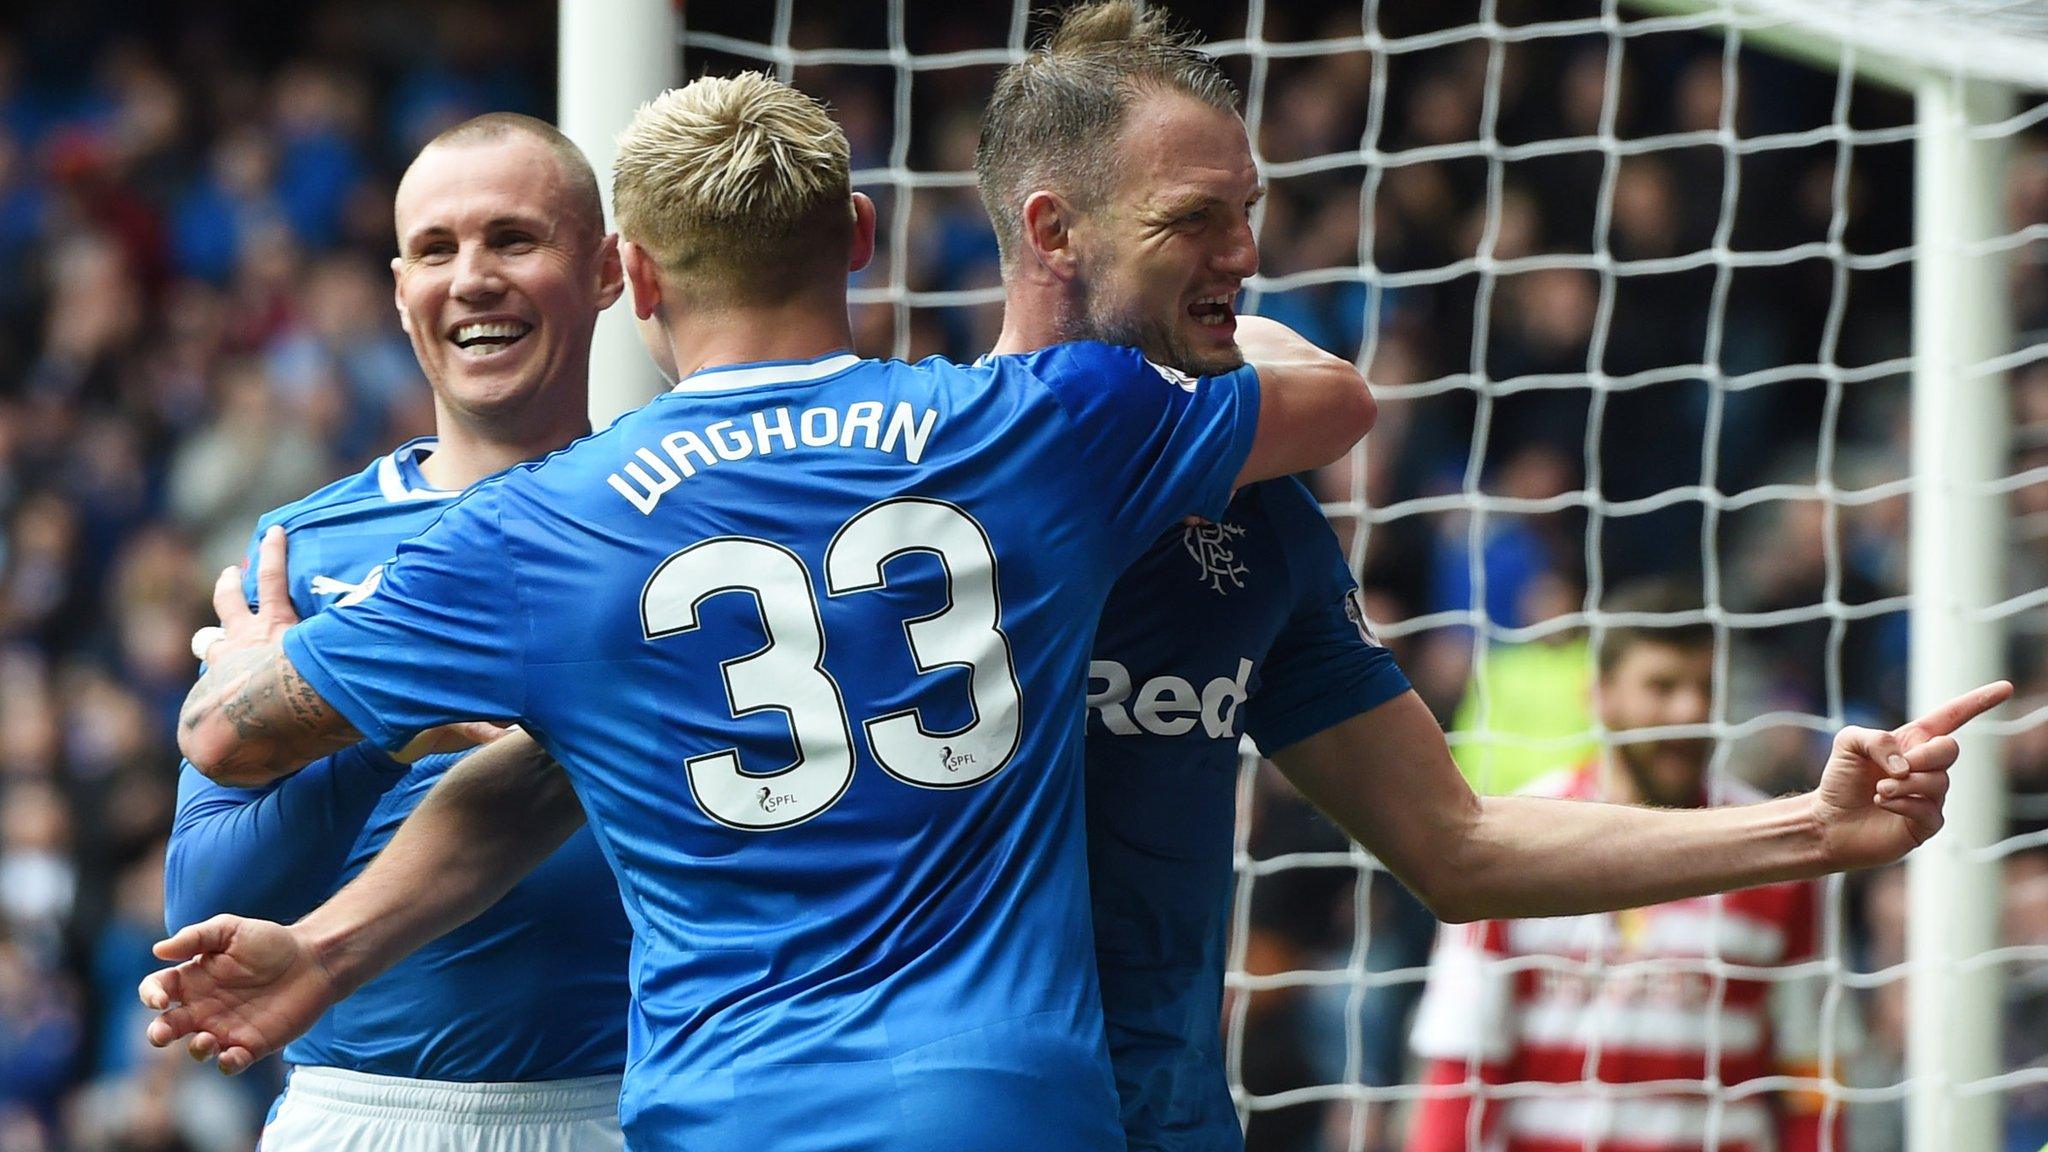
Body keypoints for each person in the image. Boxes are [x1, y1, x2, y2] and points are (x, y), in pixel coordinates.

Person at [142, 71, 1375, 1152]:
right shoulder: (1037, 425)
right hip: (1003, 1098)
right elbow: (1331, 405)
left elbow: (225, 739)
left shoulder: (548, 525)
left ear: (629, 276)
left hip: (725, 1103)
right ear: (856, 233)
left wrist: (267, 661)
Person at [972, 6, 2008, 1152]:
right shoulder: (893, 482)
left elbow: (1454, 846)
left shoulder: (1251, 520)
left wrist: (1810, 829)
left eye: (1249, 213)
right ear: (1052, 231)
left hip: (1161, 1123)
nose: (1246, 256)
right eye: (1193, 219)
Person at [162, 114, 633, 1150]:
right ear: (398, 290)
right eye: (436, 249)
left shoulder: (672, 520)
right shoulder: (302, 546)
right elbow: (206, 898)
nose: (471, 278)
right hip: (361, 1114)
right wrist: (385, 726)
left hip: (627, 1109)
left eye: (513, 239)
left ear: (606, 270)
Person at [1406, 580, 1840, 1152]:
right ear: (1601, 696)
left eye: (1702, 688)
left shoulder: (1778, 842)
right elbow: (1461, 1068)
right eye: (1661, 687)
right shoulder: (1514, 840)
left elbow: (1809, 1076)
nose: (1688, 711)